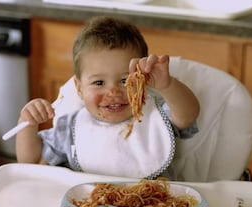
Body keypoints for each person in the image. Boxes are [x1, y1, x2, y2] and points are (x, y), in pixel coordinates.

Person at [16, 16, 200, 180]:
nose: (113, 92)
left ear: (142, 81)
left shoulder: (156, 114)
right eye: (98, 83)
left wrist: (166, 85)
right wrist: (28, 123)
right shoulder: (70, 129)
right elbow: (30, 162)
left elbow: (188, 115)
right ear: (79, 89)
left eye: (125, 80)